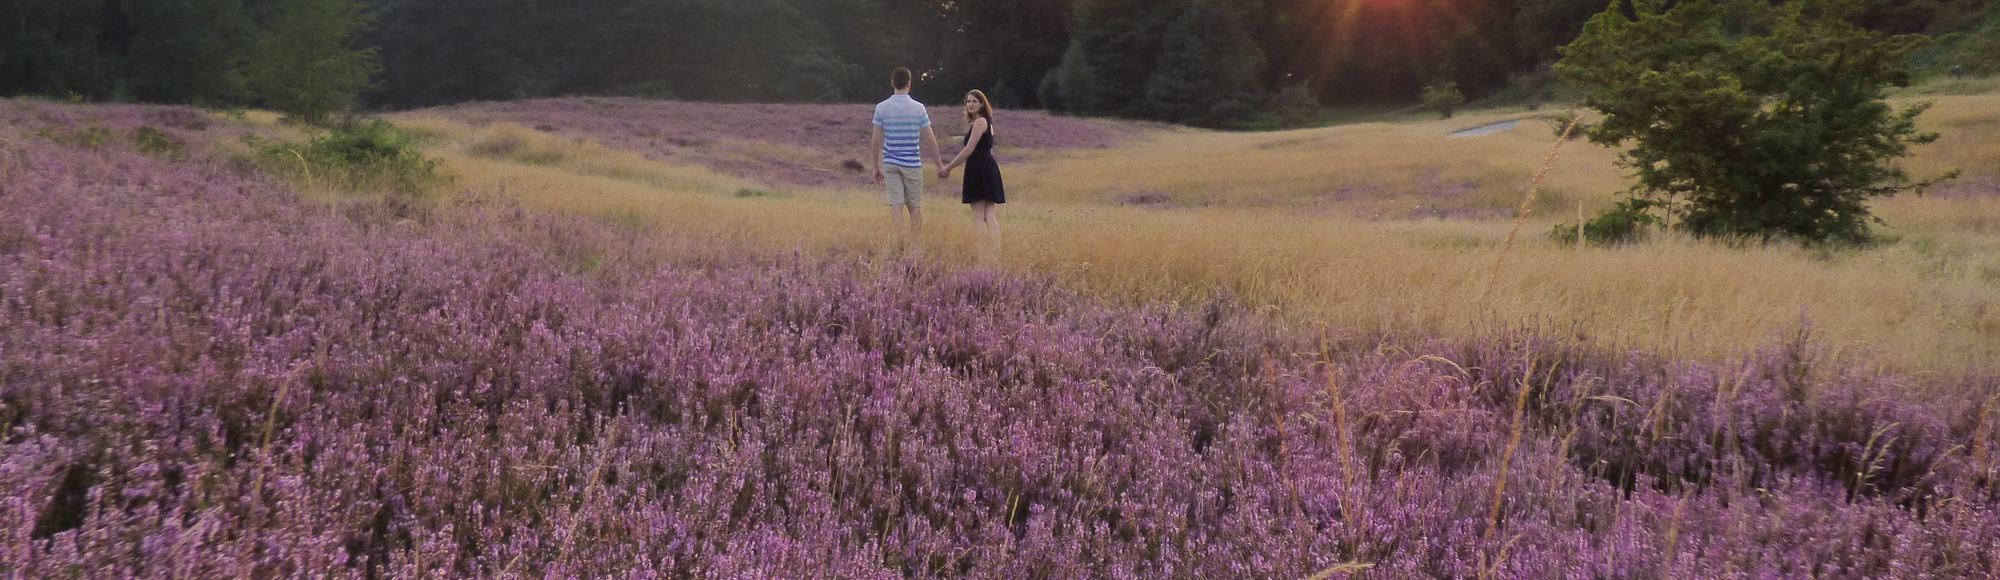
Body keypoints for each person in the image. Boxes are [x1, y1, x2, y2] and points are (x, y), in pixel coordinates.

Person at [870, 67, 942, 251]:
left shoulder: (881, 108)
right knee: (914, 208)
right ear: (909, 84)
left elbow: (875, 141)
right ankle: (916, 248)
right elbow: (930, 139)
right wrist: (939, 164)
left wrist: (876, 166)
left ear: (892, 83)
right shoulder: (918, 108)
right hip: (912, 164)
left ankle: (901, 243)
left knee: (896, 206)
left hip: (890, 163)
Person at [938, 90, 1005, 262]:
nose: (970, 104)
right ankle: (995, 253)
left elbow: (969, 149)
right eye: (968, 101)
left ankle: (981, 253)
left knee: (979, 214)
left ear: (982, 103)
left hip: (979, 168)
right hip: (987, 167)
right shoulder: (985, 122)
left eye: (975, 101)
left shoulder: (980, 122)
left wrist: (948, 168)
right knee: (988, 214)